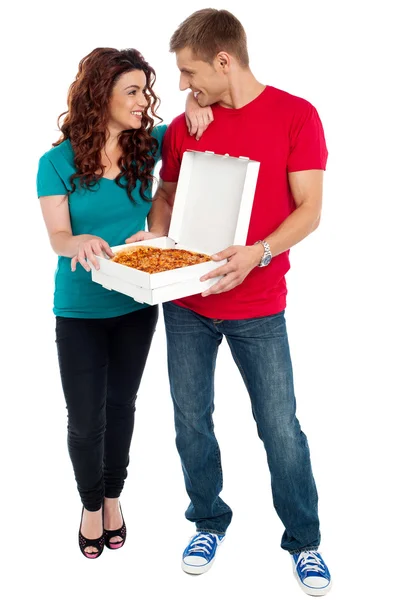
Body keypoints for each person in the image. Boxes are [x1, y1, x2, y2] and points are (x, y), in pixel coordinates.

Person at [128, 9, 332, 596]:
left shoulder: (298, 115)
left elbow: (310, 209)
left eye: (190, 74)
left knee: (279, 427)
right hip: (187, 305)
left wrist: (258, 253)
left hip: (259, 303)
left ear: (224, 61)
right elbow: (166, 193)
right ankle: (208, 521)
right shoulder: (188, 124)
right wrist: (158, 235)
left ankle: (305, 540)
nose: (184, 86)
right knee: (191, 423)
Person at [36, 47, 212, 559]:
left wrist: (197, 103)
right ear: (101, 96)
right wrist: (80, 244)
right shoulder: (56, 162)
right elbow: (58, 237)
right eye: (132, 91)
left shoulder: (147, 144)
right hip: (80, 309)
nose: (144, 101)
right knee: (85, 417)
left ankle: (114, 498)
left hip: (137, 304)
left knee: (123, 406)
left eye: (145, 90)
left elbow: (191, 128)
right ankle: (91, 505)